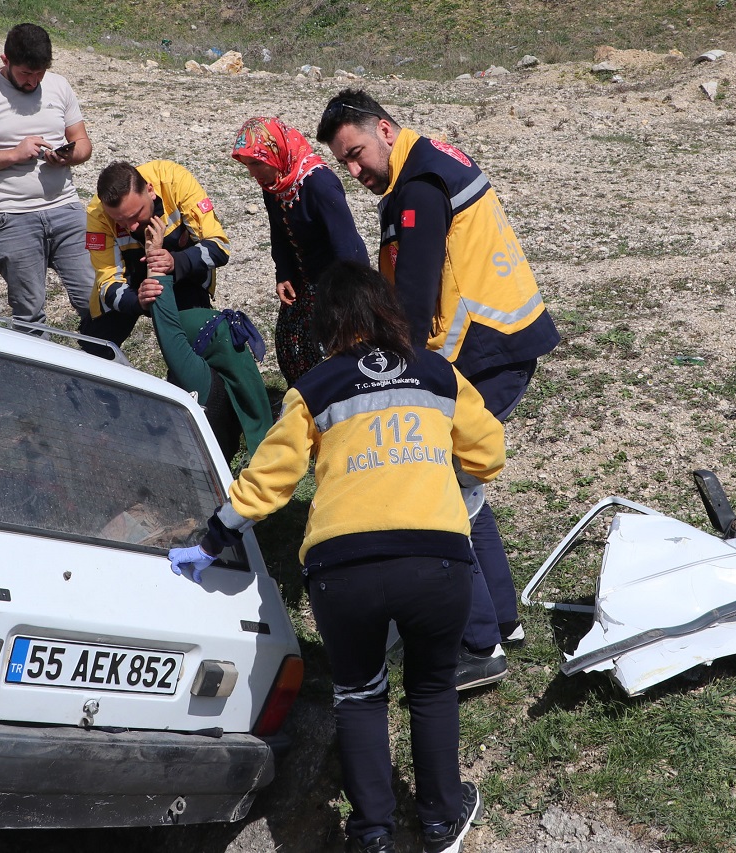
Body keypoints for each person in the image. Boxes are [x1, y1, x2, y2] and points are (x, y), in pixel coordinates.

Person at [168, 261, 503, 853]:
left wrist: (214, 537)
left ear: (329, 324)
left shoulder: (315, 388)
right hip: (436, 559)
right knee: (429, 688)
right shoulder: (438, 374)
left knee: (359, 693)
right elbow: (489, 454)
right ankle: (439, 821)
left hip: (342, 566)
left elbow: (270, 479)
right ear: (388, 312)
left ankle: (371, 832)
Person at [316, 89, 561, 691]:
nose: (354, 171)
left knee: (444, 496)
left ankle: (478, 648)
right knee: (466, 485)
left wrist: (399, 376)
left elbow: (417, 299)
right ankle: (500, 620)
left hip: (483, 354)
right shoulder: (426, 169)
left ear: (387, 130)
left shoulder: (420, 190)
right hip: (501, 342)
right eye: (343, 162)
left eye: (357, 153)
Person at [0, 23, 94, 328]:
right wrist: (14, 154)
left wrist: (67, 155)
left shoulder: (59, 86)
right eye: (26, 75)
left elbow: (83, 144)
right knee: (29, 313)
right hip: (13, 216)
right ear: (5, 60)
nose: (33, 83)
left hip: (67, 210)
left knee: (93, 299)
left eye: (39, 74)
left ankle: (101, 370)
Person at [231, 117, 369, 387]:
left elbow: (346, 245)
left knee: (334, 352)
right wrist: (283, 273)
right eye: (248, 166)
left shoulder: (319, 184)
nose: (253, 173)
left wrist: (346, 300)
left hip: (338, 283)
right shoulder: (275, 184)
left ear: (277, 152)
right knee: (292, 346)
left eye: (257, 163)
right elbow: (278, 233)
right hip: (304, 282)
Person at [141, 216, 273, 460]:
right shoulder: (234, 370)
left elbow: (169, 329)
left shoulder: (199, 380)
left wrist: (154, 256)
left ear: (200, 342)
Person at [83, 160, 231, 351]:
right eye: (120, 220)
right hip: (130, 282)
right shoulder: (97, 212)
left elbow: (220, 247)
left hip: (182, 275)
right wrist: (138, 302)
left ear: (150, 190)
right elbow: (108, 282)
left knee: (198, 347)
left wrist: (175, 262)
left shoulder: (175, 180)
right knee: (95, 348)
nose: (132, 227)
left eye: (136, 215)